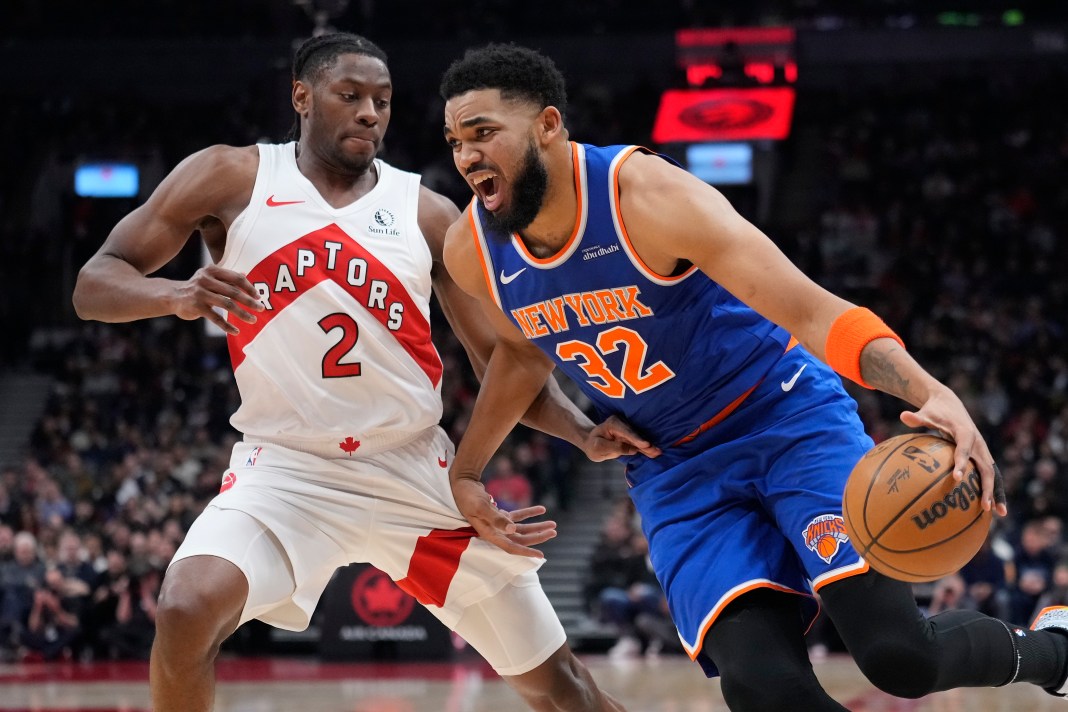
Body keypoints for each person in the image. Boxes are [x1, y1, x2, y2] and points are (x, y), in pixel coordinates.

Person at [438, 43, 1068, 710]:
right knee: (763, 687)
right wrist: (477, 467)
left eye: (483, 133)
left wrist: (932, 392)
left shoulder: (647, 198)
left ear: (546, 125)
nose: (467, 156)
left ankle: (1057, 649)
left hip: (782, 416)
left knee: (899, 656)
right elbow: (519, 354)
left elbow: (810, 311)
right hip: (677, 464)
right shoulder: (473, 249)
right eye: (454, 141)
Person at [72, 32, 651, 712]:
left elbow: (500, 361)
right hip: (288, 470)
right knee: (185, 606)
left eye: (382, 100)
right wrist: (176, 295)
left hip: (412, 470)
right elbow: (94, 284)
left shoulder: (429, 213)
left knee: (564, 691)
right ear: (302, 96)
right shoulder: (231, 177)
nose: (370, 113)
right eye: (350, 97)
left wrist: (582, 434)